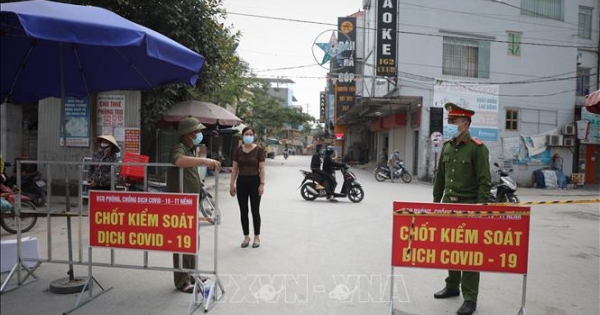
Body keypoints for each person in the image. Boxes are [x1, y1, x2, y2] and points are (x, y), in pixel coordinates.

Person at [432, 102, 491, 315]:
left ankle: (470, 298)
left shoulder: (477, 148)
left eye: (453, 122)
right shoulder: (447, 147)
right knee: (450, 248)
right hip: (449, 205)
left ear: (465, 124)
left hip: (470, 207)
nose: (450, 125)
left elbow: (485, 181)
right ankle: (451, 286)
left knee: (470, 253)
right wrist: (436, 203)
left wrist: (481, 208)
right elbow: (440, 178)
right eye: (449, 122)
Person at [166, 117, 221, 294]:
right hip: (180, 203)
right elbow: (179, 161)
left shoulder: (190, 148)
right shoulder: (179, 148)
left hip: (190, 202)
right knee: (181, 241)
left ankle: (191, 275)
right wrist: (205, 161)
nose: (199, 134)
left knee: (190, 240)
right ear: (187, 134)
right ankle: (182, 281)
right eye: (196, 131)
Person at [230, 126, 266, 249]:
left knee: (255, 211)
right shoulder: (238, 150)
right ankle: (246, 236)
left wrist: (262, 184)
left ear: (254, 136)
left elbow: (262, 168)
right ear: (242, 136)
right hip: (241, 182)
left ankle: (256, 236)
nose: (249, 136)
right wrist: (232, 184)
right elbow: (234, 168)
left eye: (251, 134)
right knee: (243, 211)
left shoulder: (259, 150)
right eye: (246, 134)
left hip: (255, 181)